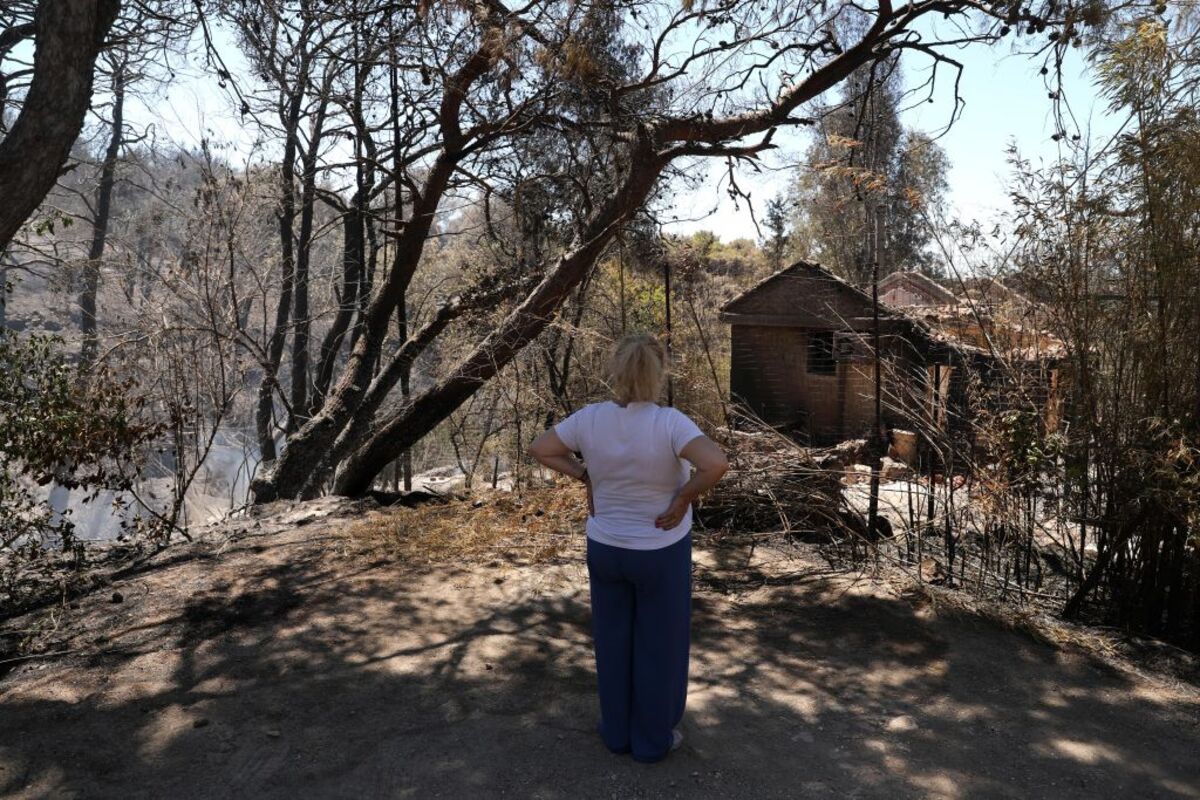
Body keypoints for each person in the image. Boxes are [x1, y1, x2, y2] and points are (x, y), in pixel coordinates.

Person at [528, 333, 729, 763]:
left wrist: (587, 477)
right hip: (659, 550)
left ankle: (616, 733)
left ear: (615, 370)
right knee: (660, 646)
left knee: (613, 639)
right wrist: (682, 498)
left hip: (605, 548)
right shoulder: (670, 422)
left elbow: (542, 449)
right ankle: (652, 741)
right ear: (660, 373)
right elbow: (716, 463)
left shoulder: (589, 418)